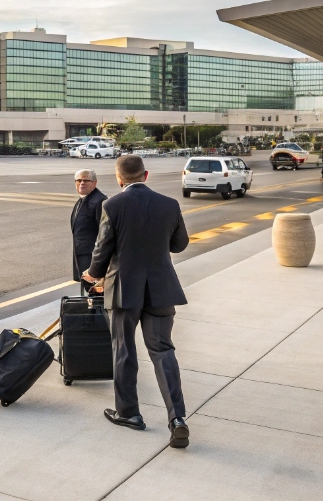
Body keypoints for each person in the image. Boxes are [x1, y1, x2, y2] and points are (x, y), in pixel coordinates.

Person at [82, 155, 191, 447]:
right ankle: (177, 418)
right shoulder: (170, 205)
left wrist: (93, 274)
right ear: (145, 175)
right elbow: (179, 244)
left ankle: (129, 413)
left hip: (123, 290)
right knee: (163, 351)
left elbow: (102, 249)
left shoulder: (112, 205)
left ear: (119, 179)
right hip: (160, 289)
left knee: (124, 350)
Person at [70, 169, 107, 294]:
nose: (82, 183)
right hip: (82, 255)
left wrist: (97, 264)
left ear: (94, 183)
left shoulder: (99, 201)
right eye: (79, 180)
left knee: (94, 295)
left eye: (86, 180)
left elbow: (104, 234)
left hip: (92, 258)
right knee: (87, 293)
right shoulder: (83, 200)